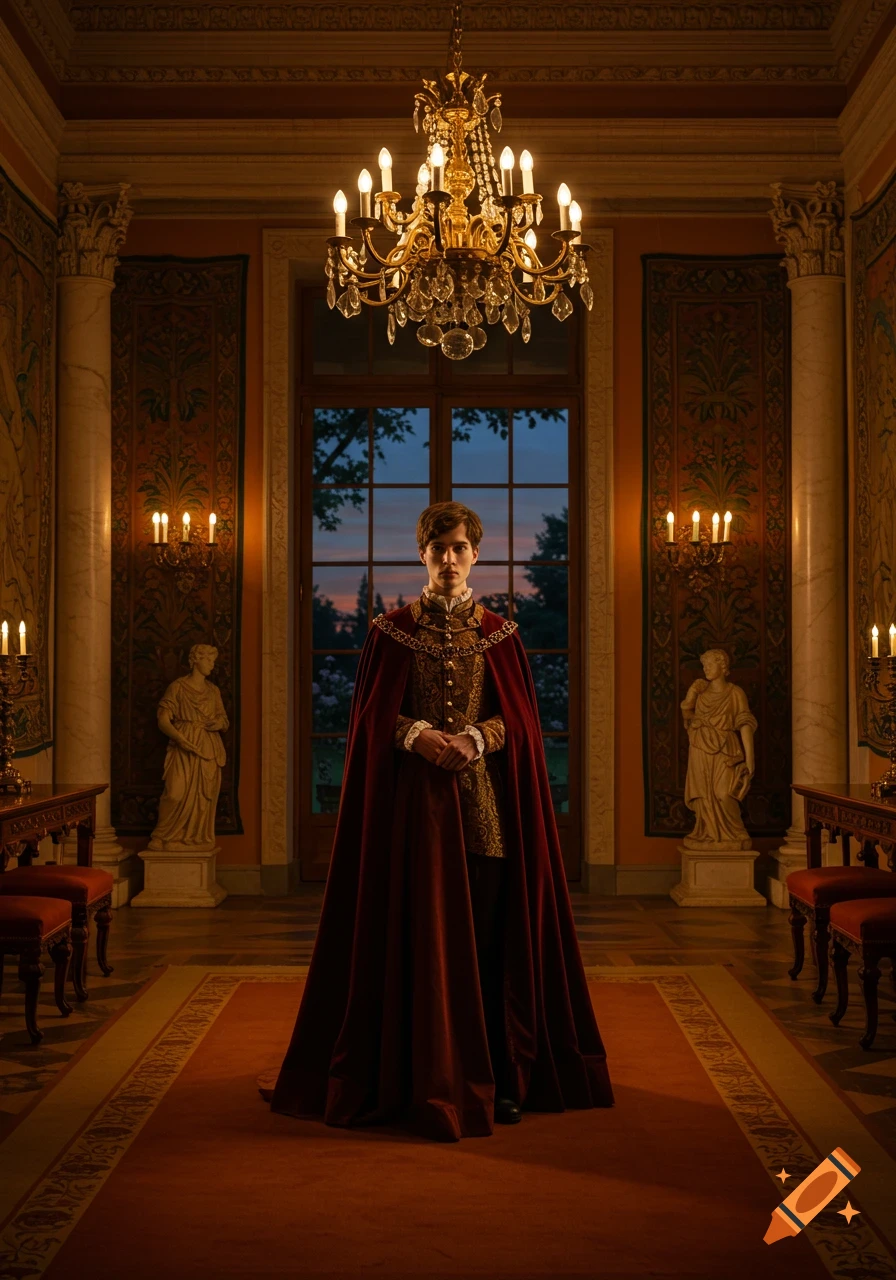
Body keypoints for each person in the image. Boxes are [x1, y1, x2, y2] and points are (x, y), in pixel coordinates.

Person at [269, 501, 613, 1142]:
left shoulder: (501, 636)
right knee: (419, 942)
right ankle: (413, 1072)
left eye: (459, 548)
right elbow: (368, 722)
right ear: (422, 554)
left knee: (486, 947)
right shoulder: (388, 631)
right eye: (438, 548)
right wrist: (416, 734)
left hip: (485, 814)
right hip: (412, 819)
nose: (449, 559)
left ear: (475, 554)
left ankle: (500, 1078)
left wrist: (478, 739)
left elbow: (522, 725)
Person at [149, 643, 229, 850]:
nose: (212, 665)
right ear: (196, 660)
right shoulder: (178, 687)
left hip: (208, 747)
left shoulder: (213, 691)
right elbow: (163, 719)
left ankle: (195, 838)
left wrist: (218, 723)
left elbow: (224, 720)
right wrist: (180, 738)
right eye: (208, 660)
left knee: (203, 797)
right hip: (182, 745)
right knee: (174, 793)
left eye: (213, 660)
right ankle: (162, 835)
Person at [680, 648, 757, 849]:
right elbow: (687, 713)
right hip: (700, 748)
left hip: (726, 749)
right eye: (703, 665)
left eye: (710, 664)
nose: (705, 669)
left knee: (724, 794)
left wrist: (750, 759)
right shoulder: (701, 693)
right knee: (704, 796)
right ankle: (707, 833)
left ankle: (735, 835)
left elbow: (745, 723)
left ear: (722, 666)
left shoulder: (735, 692)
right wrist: (693, 691)